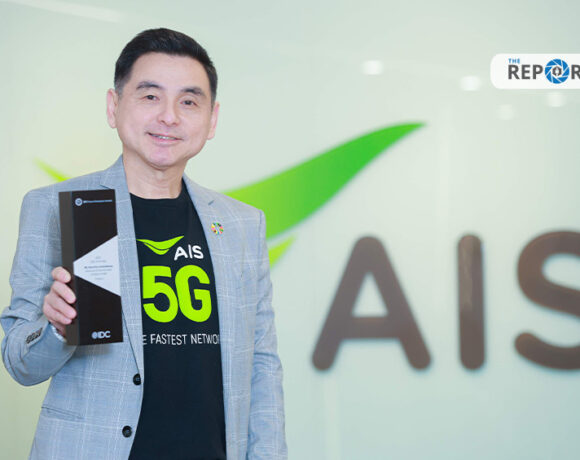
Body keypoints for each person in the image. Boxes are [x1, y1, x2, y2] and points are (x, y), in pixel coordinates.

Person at [1, 28, 286, 459]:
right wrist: (57, 328)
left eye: (188, 101)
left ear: (211, 120)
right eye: (150, 96)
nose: (169, 117)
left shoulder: (241, 224)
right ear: (113, 107)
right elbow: (20, 364)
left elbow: (261, 363)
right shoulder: (59, 208)